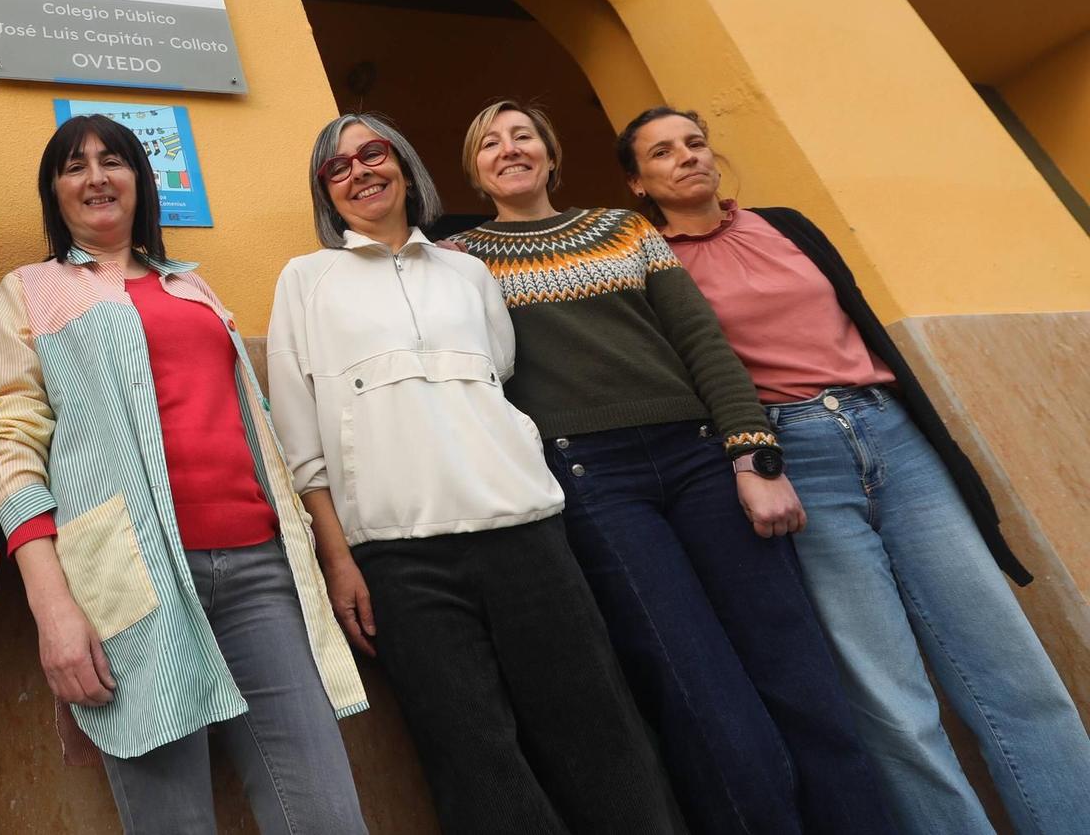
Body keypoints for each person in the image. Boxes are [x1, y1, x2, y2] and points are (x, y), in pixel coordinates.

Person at [620, 105, 1090, 835]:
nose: (687, 157)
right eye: (663, 152)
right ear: (638, 182)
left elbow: (861, 320)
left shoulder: (787, 224)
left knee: (1015, 673)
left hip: (893, 436)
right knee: (895, 709)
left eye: (696, 142)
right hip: (796, 462)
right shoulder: (649, 265)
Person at [447, 99, 894, 835]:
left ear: (551, 153)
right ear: (473, 169)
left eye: (523, 134)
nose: (509, 148)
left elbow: (703, 343)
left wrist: (753, 455)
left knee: (799, 668)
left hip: (699, 459)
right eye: (489, 142)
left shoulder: (625, 230)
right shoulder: (461, 261)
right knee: (698, 690)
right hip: (592, 484)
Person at [267, 112, 682, 835]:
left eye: (375, 152)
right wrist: (339, 558)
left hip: (525, 528)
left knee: (598, 732)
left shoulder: (467, 270)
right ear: (324, 192)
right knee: (474, 756)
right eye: (338, 166)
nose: (360, 170)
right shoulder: (306, 280)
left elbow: (500, 375)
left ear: (406, 166)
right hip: (397, 555)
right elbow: (299, 442)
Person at [0, 114, 368, 835]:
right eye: (73, 165)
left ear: (141, 181)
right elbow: (13, 446)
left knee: (326, 818)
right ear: (54, 193)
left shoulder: (193, 286)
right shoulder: (31, 290)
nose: (95, 176)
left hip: (259, 574)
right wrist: (53, 607)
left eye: (112, 160)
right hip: (131, 584)